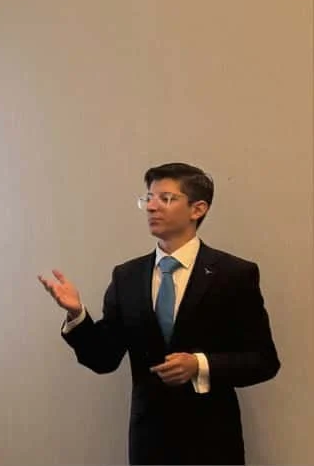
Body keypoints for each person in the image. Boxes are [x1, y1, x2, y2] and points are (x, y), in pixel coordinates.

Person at [38, 162, 279, 465]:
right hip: (149, 442)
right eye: (148, 198)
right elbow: (103, 358)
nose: (151, 206)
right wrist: (77, 315)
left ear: (198, 209)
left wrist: (199, 364)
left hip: (213, 440)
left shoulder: (233, 274)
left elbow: (263, 360)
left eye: (165, 198)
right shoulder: (127, 276)